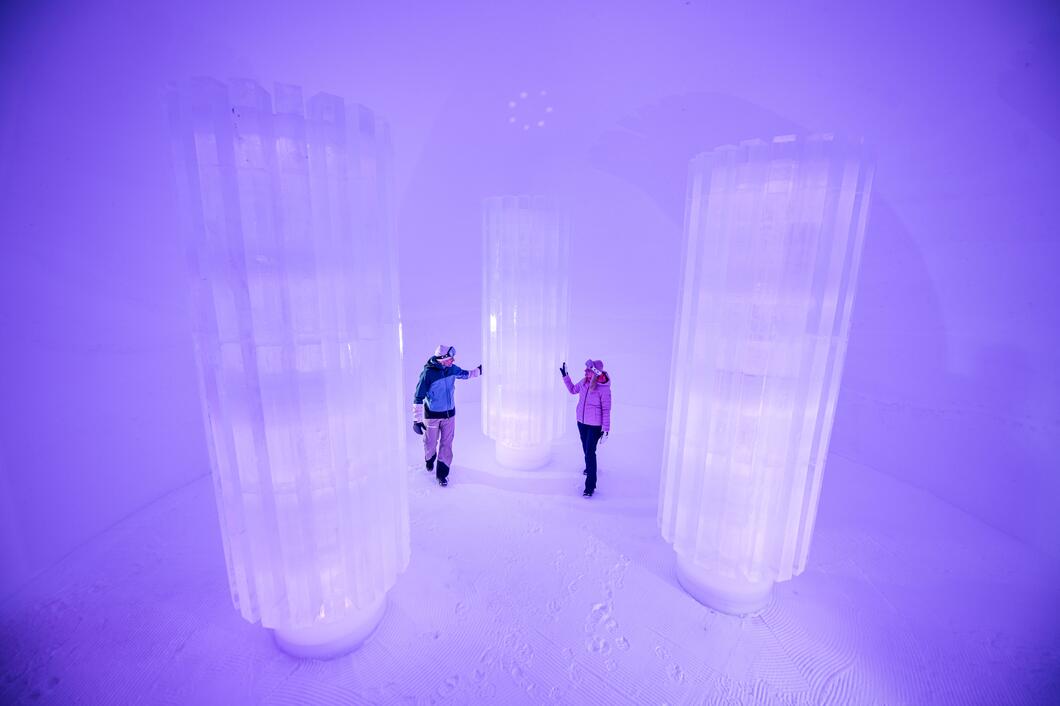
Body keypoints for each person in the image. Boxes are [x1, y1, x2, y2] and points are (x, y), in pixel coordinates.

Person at [411, 345, 482, 486]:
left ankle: (442, 474)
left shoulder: (452, 369)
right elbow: (418, 397)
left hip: (449, 415)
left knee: (447, 444)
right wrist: (416, 420)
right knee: (430, 443)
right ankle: (429, 459)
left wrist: (479, 370)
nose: (453, 360)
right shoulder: (428, 374)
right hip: (432, 416)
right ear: (442, 359)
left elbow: (466, 374)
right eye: (450, 358)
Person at [560, 359, 611, 497]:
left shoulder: (604, 388)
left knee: (590, 453)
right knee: (586, 449)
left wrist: (606, 429)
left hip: (594, 426)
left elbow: (606, 409)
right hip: (581, 422)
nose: (585, 371)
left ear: (594, 372)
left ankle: (590, 486)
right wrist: (566, 376)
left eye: (588, 370)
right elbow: (572, 390)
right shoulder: (584, 382)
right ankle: (589, 468)